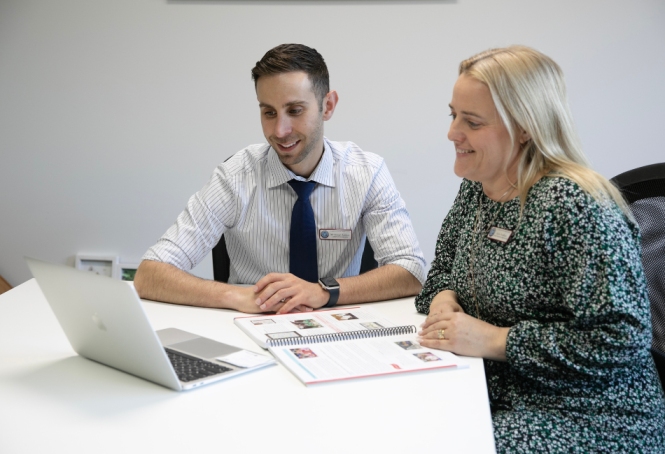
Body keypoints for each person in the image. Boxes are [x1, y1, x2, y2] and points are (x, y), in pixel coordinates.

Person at [415, 45, 665, 451]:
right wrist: (444, 297)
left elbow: (622, 338)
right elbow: (443, 267)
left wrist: (497, 341)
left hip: (591, 414)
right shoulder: (477, 188)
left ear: (525, 127)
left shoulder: (576, 205)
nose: (452, 133)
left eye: (472, 122)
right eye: (453, 114)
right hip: (498, 387)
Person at [134, 44, 425, 315]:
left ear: (328, 106)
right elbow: (150, 274)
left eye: (295, 111)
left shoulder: (367, 173)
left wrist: (324, 292)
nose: (280, 130)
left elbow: (411, 270)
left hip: (337, 325)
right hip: (250, 326)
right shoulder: (234, 177)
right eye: (269, 112)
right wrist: (239, 296)